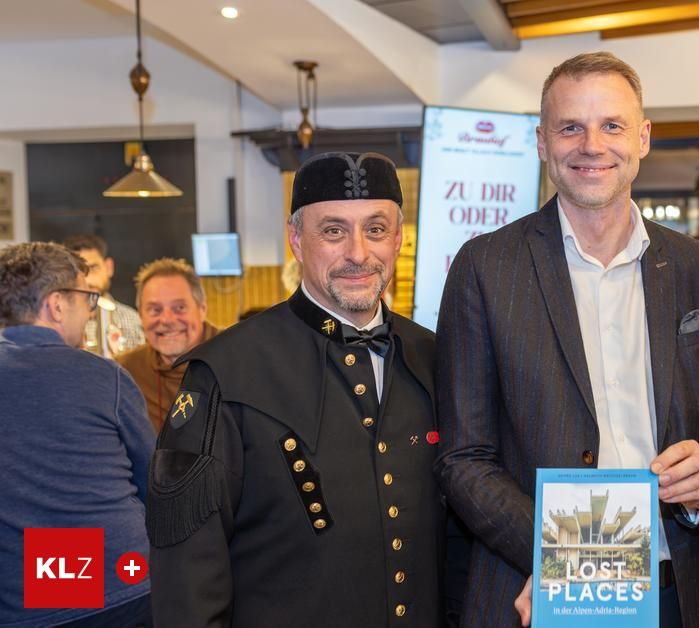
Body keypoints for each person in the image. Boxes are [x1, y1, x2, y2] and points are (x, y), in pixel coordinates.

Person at [435, 52, 699, 628]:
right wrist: (570, 559)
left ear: (644, 137)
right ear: (541, 141)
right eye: (570, 127)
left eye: (611, 125)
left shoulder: (697, 269)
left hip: (675, 591)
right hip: (534, 587)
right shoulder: (485, 267)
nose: (591, 145)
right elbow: (464, 458)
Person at [148, 152, 465, 626]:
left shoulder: (434, 356)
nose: (358, 253)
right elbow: (188, 570)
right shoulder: (226, 372)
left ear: (398, 239)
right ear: (296, 240)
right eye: (334, 231)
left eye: (375, 230)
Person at [0, 242, 155, 627]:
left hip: (23, 593)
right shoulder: (105, 375)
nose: (90, 311)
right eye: (87, 298)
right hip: (120, 583)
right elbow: (155, 479)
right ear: (55, 305)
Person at [117, 258, 220, 431]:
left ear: (202, 309)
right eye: (155, 310)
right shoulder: (126, 371)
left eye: (179, 308)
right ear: (140, 315)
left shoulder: (237, 357)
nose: (167, 320)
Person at [62, 233, 145, 356]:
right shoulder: (60, 323)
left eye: (94, 268)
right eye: (79, 271)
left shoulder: (133, 321)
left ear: (108, 267)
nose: (88, 279)